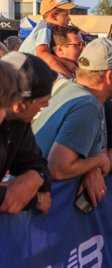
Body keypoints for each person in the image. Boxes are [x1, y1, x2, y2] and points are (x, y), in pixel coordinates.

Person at [33, 38, 112, 207]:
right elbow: (58, 168)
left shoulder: (72, 89)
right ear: (110, 76)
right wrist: (99, 162)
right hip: (44, 214)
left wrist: (90, 167)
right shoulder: (87, 105)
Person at [0, 52, 58, 214]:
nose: (46, 105)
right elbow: (10, 199)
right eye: (42, 102)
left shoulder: (18, 123)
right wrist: (35, 200)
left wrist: (35, 176)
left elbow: (38, 163)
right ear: (20, 105)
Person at [19, 0, 77, 79]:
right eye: (65, 15)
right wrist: (70, 77)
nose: (69, 18)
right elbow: (42, 54)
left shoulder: (47, 28)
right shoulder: (45, 27)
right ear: (53, 16)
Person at [51, 25, 85, 94]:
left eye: (83, 44)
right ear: (60, 49)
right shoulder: (56, 79)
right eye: (78, 45)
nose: (83, 48)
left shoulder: (74, 69)